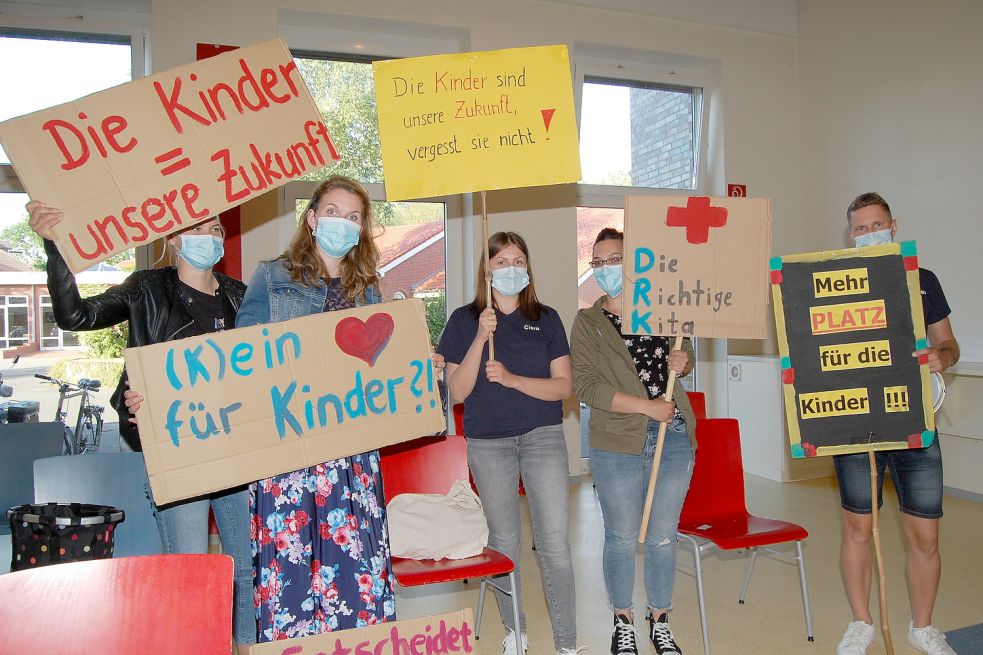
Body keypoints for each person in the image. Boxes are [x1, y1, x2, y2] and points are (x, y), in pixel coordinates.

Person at [27, 201, 256, 652]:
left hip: (236, 451)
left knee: (247, 568)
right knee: (190, 568)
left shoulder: (239, 295)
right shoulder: (146, 288)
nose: (207, 237)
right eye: (195, 229)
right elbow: (76, 317)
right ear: (172, 240)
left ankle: (250, 645)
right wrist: (54, 248)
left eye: (214, 228)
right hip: (175, 451)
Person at [236, 175, 395, 641]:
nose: (342, 224)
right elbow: (240, 360)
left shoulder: (369, 286)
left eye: (353, 217)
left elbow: (378, 369)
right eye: (332, 212)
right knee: (291, 574)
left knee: (356, 568)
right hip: (288, 450)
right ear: (311, 218)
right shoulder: (271, 276)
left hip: (351, 454)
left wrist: (415, 363)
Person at [437, 231, 580, 655]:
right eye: (502, 262)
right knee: (504, 543)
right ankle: (514, 628)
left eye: (519, 260)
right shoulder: (465, 320)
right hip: (488, 443)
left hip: (543, 437)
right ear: (487, 271)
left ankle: (567, 643)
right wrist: (481, 338)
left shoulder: (547, 318)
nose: (512, 269)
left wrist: (514, 380)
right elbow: (457, 393)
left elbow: (564, 388)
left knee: (554, 544)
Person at [833, 193, 961, 655]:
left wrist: (939, 357)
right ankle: (860, 623)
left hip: (915, 421)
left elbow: (949, 345)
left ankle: (922, 627)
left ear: (894, 224)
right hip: (854, 424)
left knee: (925, 531)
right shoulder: (833, 283)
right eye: (861, 228)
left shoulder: (922, 281)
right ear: (850, 235)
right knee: (857, 528)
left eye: (877, 224)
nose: (870, 233)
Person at [570, 227, 698, 655]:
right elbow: (586, 387)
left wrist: (685, 359)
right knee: (622, 536)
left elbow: (682, 356)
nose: (608, 269)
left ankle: (659, 618)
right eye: (599, 262)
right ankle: (622, 620)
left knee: (663, 536)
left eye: (616, 259)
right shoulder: (588, 322)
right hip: (616, 443)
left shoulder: (660, 310)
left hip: (674, 438)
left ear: (634, 260)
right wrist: (645, 408)